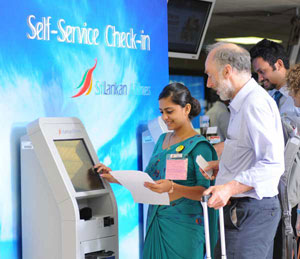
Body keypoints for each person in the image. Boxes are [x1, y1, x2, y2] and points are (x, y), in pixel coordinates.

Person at [95, 82, 218, 259]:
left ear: (186, 108)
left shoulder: (200, 147)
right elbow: (147, 179)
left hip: (185, 228)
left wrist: (173, 188)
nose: (164, 117)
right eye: (161, 112)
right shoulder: (162, 140)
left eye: (169, 111)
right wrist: (113, 176)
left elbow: (204, 193)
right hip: (157, 220)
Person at [202, 42, 285, 259]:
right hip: (244, 211)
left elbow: (272, 164)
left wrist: (228, 187)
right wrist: (224, 167)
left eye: (211, 75)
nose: (209, 83)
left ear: (227, 70)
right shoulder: (243, 103)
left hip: (251, 211)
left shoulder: (254, 103)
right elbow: (250, 153)